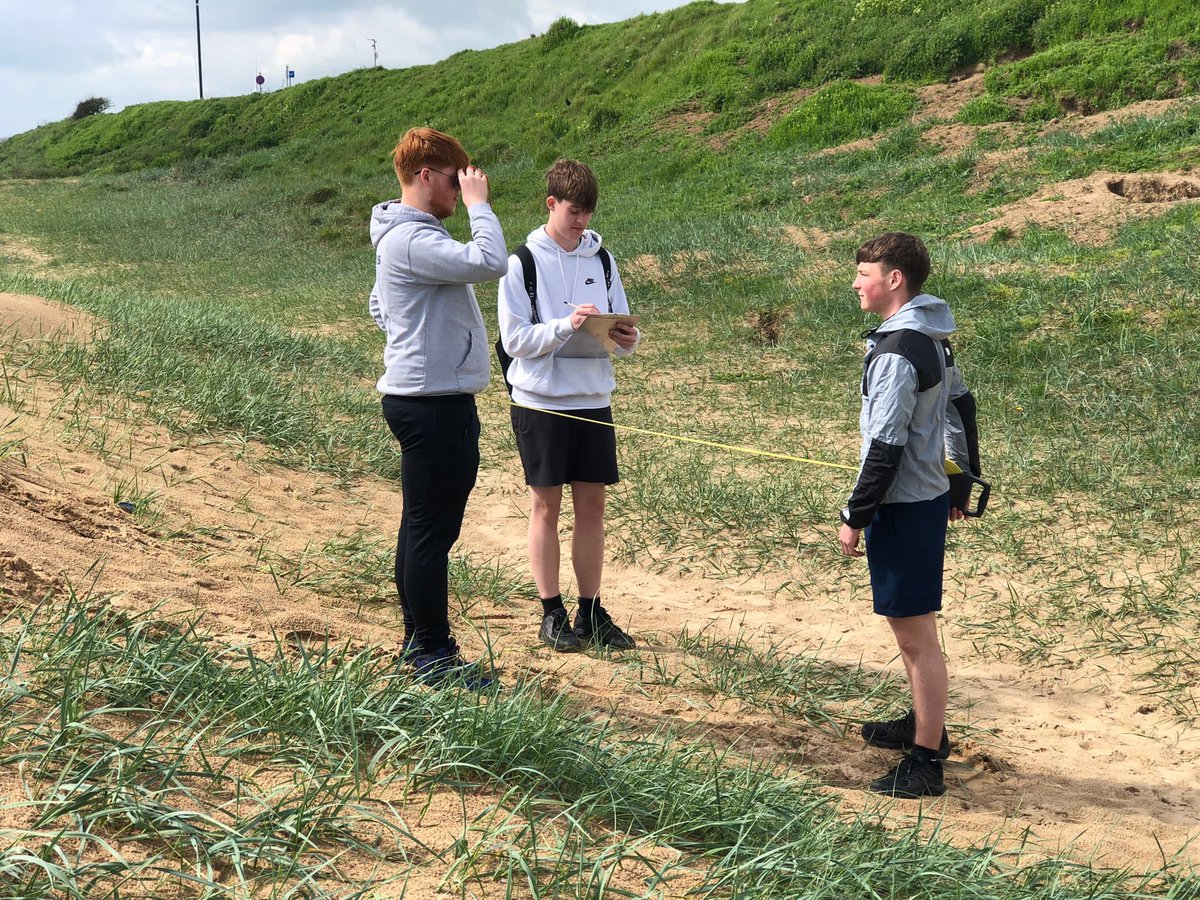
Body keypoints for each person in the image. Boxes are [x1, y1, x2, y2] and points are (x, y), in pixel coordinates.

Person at [837, 232, 981, 798]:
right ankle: (925, 724)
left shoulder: (899, 350)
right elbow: (960, 405)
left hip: (902, 506)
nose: (856, 283)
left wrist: (856, 514)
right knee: (912, 630)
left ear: (894, 279)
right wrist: (959, 482)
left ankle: (927, 756)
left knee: (916, 635)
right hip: (921, 500)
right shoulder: (932, 336)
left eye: (863, 273)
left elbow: (886, 447)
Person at [368, 127, 508, 685]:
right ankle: (430, 653)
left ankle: (419, 644)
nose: (460, 190)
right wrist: (481, 206)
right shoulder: (412, 240)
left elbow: (379, 304)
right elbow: (491, 260)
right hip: (430, 403)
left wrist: (413, 339)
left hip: (424, 396)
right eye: (455, 180)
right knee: (431, 531)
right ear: (426, 175)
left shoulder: (404, 240)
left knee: (421, 527)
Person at [498, 159, 640, 653]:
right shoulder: (522, 263)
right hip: (540, 401)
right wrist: (566, 324)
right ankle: (551, 610)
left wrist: (626, 335)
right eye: (573, 212)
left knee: (593, 507)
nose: (581, 223)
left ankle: (591, 610)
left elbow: (623, 331)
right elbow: (514, 338)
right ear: (551, 204)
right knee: (545, 505)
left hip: (594, 397)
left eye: (587, 214)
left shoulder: (602, 259)